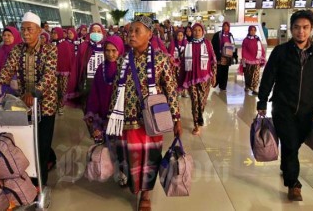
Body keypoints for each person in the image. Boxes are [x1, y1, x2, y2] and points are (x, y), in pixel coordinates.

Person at [107, 16, 182, 211]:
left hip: (152, 122)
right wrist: (111, 117)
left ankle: (146, 194)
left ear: (149, 34)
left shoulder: (161, 59)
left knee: (150, 158)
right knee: (131, 157)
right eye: (130, 31)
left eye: (136, 31)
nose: (131, 34)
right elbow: (116, 89)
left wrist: (176, 119)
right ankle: (135, 185)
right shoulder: (123, 59)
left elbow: (171, 90)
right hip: (127, 121)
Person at [257, 10, 313, 201]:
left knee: (295, 145)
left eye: (305, 27)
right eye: (297, 27)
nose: (301, 32)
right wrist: (262, 100)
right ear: (291, 29)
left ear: (311, 29)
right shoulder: (281, 52)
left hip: (307, 109)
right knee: (289, 143)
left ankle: (287, 167)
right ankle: (293, 184)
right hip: (283, 108)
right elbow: (268, 77)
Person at [0, 12, 58, 186]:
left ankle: (40, 184)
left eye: (29, 29)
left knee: (42, 144)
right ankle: (46, 161)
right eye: (22, 30)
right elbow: (7, 71)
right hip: (25, 105)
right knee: (29, 141)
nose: (26, 33)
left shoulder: (50, 49)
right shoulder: (18, 49)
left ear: (39, 31)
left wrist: (35, 92)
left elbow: (49, 74)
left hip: (45, 104)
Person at [84, 35, 124, 144]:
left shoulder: (125, 68)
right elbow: (94, 93)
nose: (110, 54)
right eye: (107, 50)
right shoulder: (101, 68)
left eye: (114, 51)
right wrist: (93, 118)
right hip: (103, 115)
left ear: (120, 49)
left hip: (121, 118)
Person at [182, 23, 216, 135]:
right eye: (195, 30)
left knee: (202, 101)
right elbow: (182, 63)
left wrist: (214, 75)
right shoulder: (188, 45)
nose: (197, 32)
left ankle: (199, 115)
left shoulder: (207, 43)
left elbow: (213, 60)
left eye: (199, 30)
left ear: (202, 31)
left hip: (205, 79)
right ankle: (196, 124)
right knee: (195, 101)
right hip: (191, 78)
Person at [66, 23, 107, 109]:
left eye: (99, 31)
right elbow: (77, 67)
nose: (96, 33)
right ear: (89, 33)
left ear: (103, 33)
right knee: (88, 111)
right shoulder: (84, 46)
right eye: (93, 31)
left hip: (104, 84)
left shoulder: (107, 47)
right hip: (87, 84)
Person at [51, 27, 74, 115]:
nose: (54, 34)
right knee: (55, 89)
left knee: (63, 89)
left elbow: (69, 58)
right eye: (52, 33)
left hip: (64, 71)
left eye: (55, 33)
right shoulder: (51, 44)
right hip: (53, 71)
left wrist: (70, 70)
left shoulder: (66, 44)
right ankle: (55, 106)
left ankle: (60, 106)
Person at [241, 25, 266, 95]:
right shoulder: (245, 40)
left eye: (254, 30)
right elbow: (244, 49)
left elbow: (261, 48)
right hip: (247, 60)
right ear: (249, 31)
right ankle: (247, 86)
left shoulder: (257, 39)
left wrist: (263, 56)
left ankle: (254, 88)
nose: (253, 32)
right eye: (251, 30)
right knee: (247, 74)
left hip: (256, 60)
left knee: (256, 75)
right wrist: (244, 58)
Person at [212, 21, 235, 91]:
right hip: (220, 56)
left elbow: (233, 45)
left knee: (225, 71)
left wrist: (234, 56)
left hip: (227, 56)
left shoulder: (230, 35)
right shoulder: (218, 35)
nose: (225, 27)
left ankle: (223, 86)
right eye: (224, 26)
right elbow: (214, 45)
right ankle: (216, 82)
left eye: (227, 26)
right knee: (219, 71)